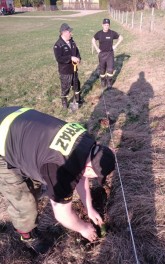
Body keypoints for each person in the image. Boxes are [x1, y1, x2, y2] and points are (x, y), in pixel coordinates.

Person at [0, 106, 115, 252]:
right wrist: (83, 227)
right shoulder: (59, 169)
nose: (95, 178)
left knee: (36, 180)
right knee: (24, 201)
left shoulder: (86, 141)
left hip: (17, 118)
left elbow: (81, 175)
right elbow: (62, 214)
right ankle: (28, 236)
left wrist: (89, 208)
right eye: (96, 176)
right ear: (90, 168)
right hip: (2, 141)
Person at [53, 23, 82, 110]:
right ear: (64, 32)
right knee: (66, 87)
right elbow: (59, 58)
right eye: (69, 32)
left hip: (74, 68)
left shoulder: (72, 42)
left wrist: (79, 58)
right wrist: (70, 58)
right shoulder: (58, 45)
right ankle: (64, 102)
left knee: (77, 84)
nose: (71, 33)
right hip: (65, 71)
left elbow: (77, 52)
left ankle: (77, 100)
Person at [92, 18, 123, 89]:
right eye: (105, 25)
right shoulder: (99, 33)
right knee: (102, 69)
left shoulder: (112, 33)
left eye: (107, 25)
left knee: (110, 69)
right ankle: (103, 81)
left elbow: (121, 38)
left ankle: (109, 82)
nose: (106, 26)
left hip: (110, 54)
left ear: (109, 25)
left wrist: (115, 45)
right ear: (102, 25)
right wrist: (97, 48)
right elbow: (93, 40)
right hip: (102, 54)